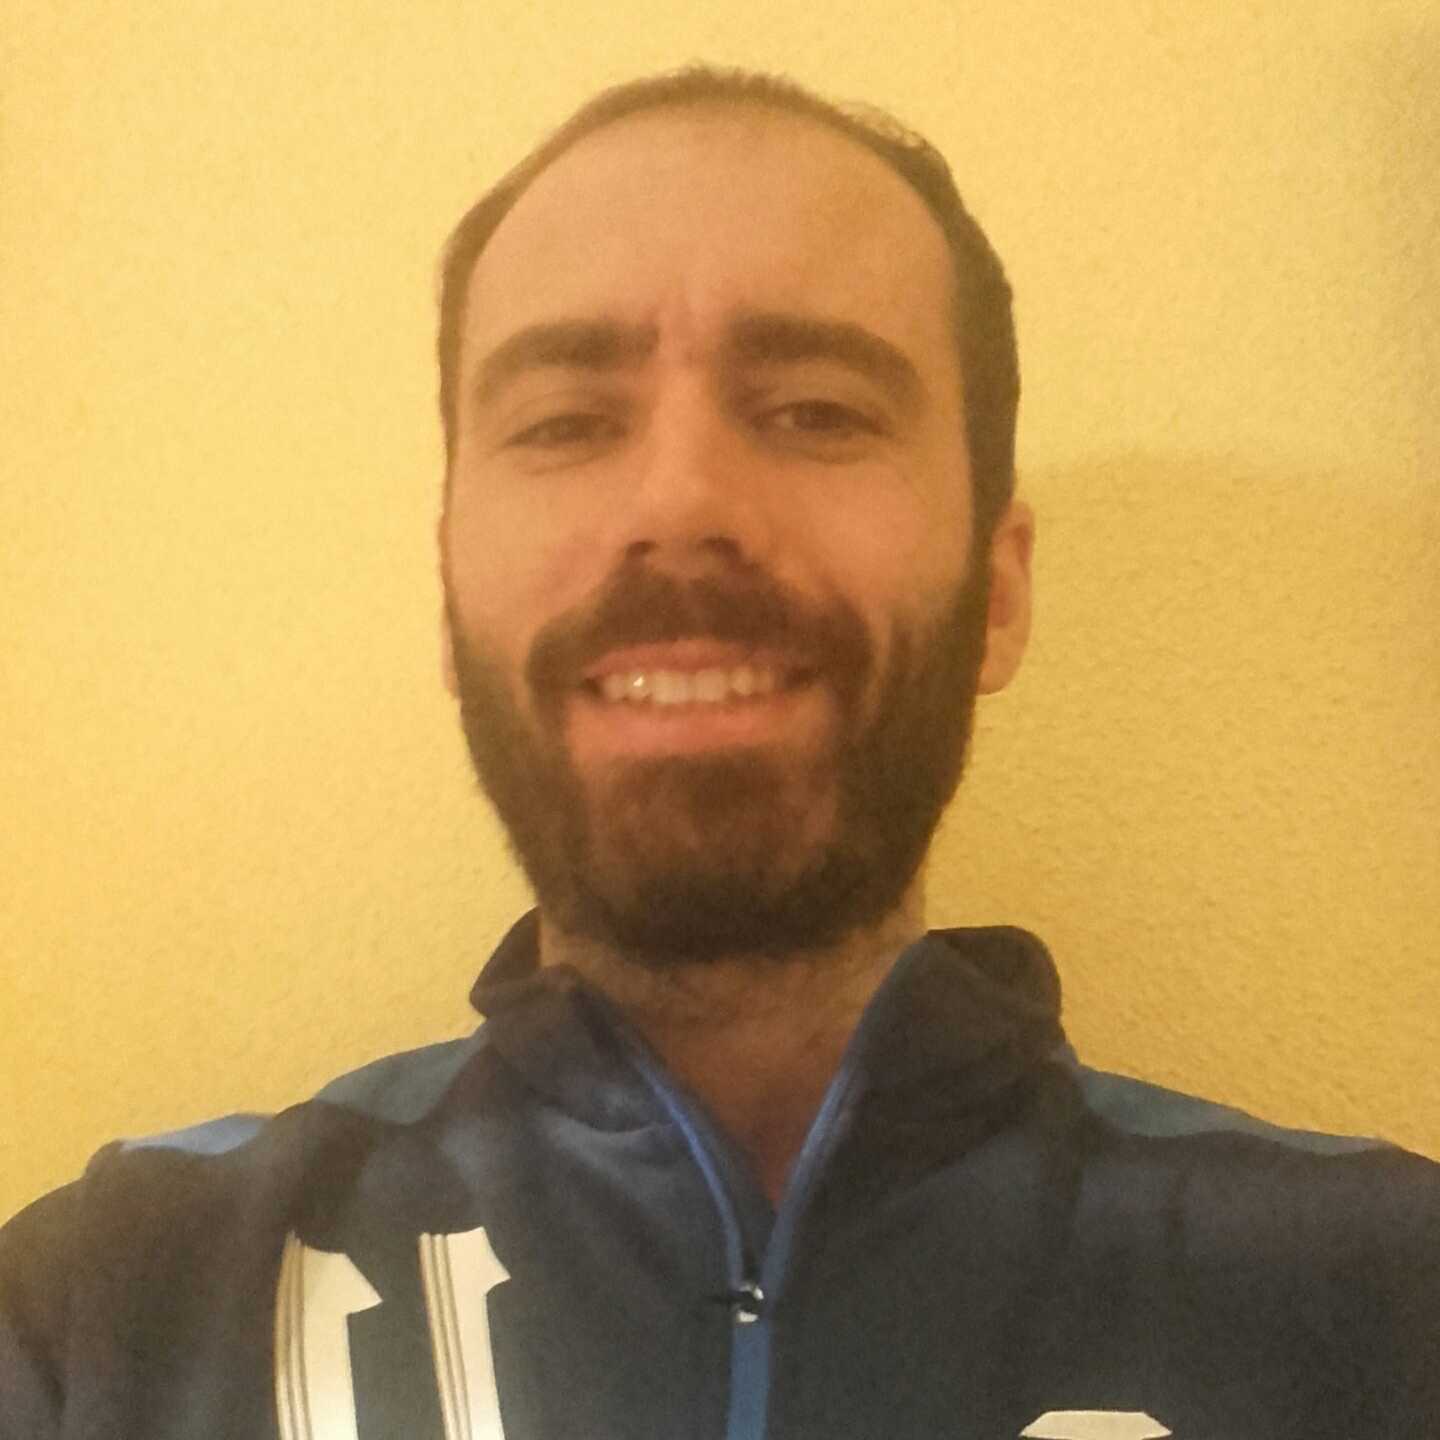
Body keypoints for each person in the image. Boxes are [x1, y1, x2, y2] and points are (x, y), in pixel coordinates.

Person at [1, 63, 1435, 1440]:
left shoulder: (1381, 1297)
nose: (681, 500)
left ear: (998, 595)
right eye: (565, 421)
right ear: (449, 597)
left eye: (818, 411)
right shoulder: (104, 1305)